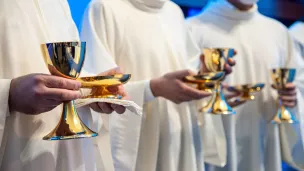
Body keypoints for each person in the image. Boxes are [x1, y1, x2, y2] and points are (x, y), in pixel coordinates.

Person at [80, 0, 235, 171]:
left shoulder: (174, 11)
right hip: (138, 143)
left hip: (179, 137)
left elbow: (186, 69)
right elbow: (97, 91)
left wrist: (203, 75)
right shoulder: (104, 7)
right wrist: (153, 88)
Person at [0, 0, 128, 170]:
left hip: (69, 156)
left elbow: (64, 71)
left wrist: (91, 89)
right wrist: (8, 94)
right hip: (17, 156)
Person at [187, 0, 304, 171]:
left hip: (265, 149)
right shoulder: (191, 30)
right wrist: (203, 98)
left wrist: (293, 99)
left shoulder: (279, 33)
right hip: (211, 155)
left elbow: (299, 85)